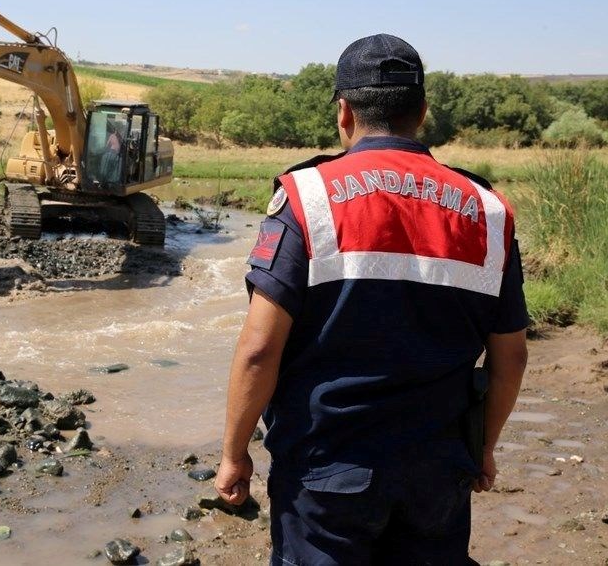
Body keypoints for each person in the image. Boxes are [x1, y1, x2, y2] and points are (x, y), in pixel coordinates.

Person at [215, 34, 529, 565]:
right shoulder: (488, 211)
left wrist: (233, 453)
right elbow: (512, 357)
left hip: (327, 466)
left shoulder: (306, 198)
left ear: (344, 112)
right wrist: (485, 448)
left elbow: (258, 350)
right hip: (438, 467)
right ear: (422, 112)